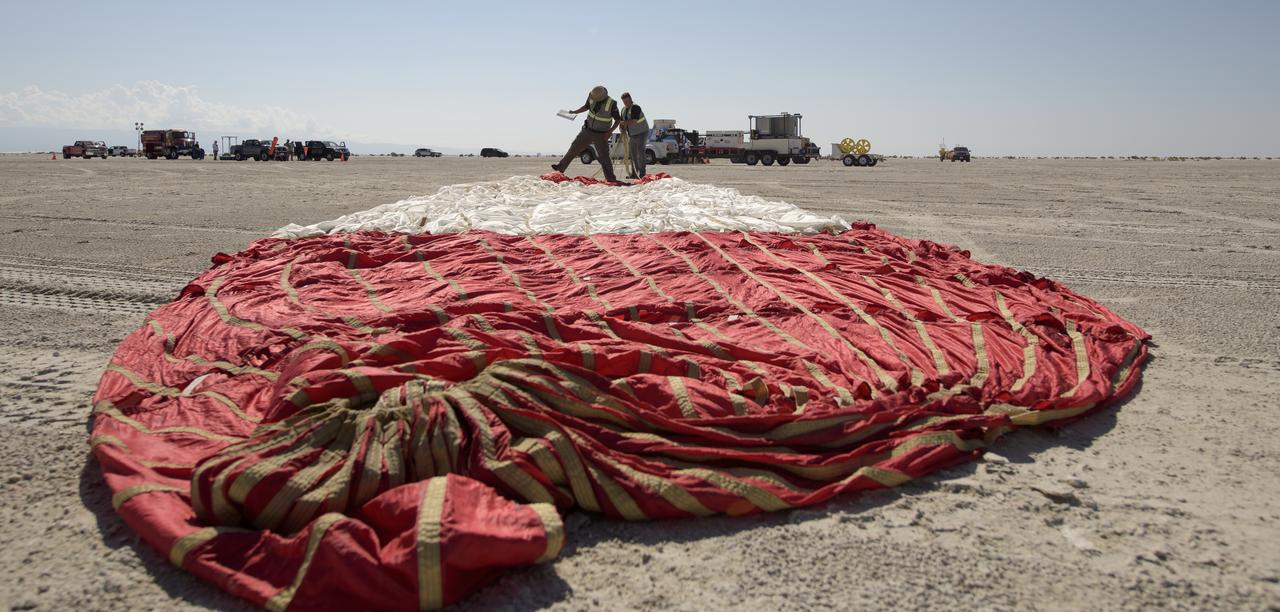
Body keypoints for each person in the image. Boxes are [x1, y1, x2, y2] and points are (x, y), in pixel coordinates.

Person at [552, 85, 620, 182]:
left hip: (601, 134)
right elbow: (586, 107)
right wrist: (574, 111)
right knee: (574, 147)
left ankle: (610, 178)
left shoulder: (612, 103)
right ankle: (561, 167)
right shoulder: (592, 96)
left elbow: (618, 120)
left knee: (604, 157)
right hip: (587, 130)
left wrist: (610, 131)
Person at [619, 92, 649, 179]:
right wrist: (621, 128)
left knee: (640, 152)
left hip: (642, 132)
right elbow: (622, 122)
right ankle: (634, 173)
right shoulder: (623, 110)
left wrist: (623, 123)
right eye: (624, 102)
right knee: (632, 154)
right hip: (632, 134)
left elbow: (634, 121)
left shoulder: (635, 107)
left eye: (627, 101)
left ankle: (642, 173)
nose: (626, 103)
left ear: (630, 99)